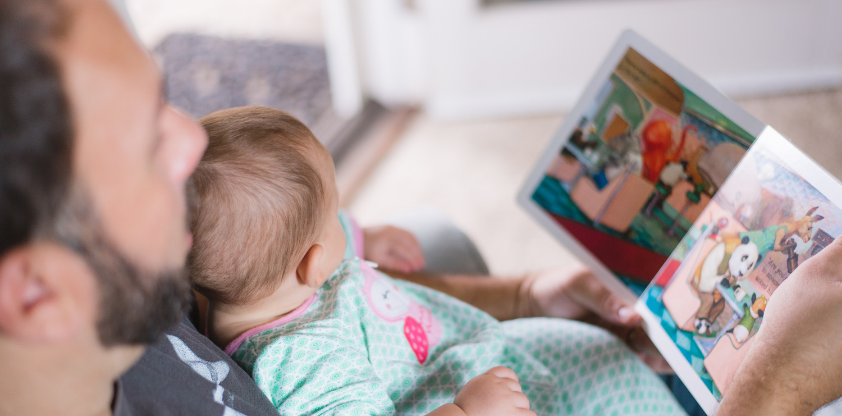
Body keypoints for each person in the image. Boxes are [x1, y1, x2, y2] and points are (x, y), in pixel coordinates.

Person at [0, 0, 840, 415]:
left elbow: (324, 285)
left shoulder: (150, 274)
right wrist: (781, 383)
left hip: (482, 359)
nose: (189, 140)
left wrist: (517, 294)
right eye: (144, 140)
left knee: (434, 235)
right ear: (36, 294)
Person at [189, 106, 686, 415]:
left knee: (614, 353)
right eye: (336, 209)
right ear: (312, 265)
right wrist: (468, 412)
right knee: (628, 380)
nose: (344, 218)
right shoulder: (303, 364)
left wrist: (363, 237)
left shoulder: (259, 282)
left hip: (478, 354)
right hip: (470, 394)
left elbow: (313, 241)